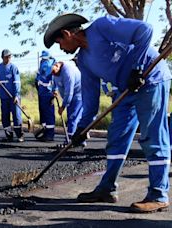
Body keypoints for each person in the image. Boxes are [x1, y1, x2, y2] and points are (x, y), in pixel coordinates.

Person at [44, 13, 171, 213]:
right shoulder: (84, 61)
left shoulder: (101, 27)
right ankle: (106, 188)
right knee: (116, 137)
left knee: (152, 136)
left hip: (149, 78)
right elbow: (90, 98)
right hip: (125, 90)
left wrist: (137, 69)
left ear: (67, 33)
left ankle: (158, 194)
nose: (61, 48)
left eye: (59, 42)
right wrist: (83, 128)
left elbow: (145, 30)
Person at [0, 49, 24, 142]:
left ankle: (19, 135)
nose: (9, 58)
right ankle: (8, 135)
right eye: (7, 56)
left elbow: (17, 83)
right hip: (4, 97)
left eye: (10, 56)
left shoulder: (13, 68)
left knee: (17, 116)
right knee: (5, 116)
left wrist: (16, 95)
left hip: (13, 97)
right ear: (2, 57)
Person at [51, 61, 84, 145]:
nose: (56, 76)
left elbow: (69, 92)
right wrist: (54, 89)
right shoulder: (55, 71)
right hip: (69, 96)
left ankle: (70, 141)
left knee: (73, 117)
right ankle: (78, 140)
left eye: (57, 74)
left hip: (78, 95)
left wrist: (63, 106)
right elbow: (54, 80)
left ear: (59, 68)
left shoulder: (68, 73)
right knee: (71, 117)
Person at [35, 50, 56, 142]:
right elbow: (39, 77)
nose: (43, 60)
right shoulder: (42, 64)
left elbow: (55, 81)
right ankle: (45, 131)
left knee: (49, 114)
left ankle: (50, 134)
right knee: (43, 113)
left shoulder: (51, 66)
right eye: (42, 58)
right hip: (41, 92)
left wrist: (54, 92)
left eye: (45, 58)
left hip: (48, 93)